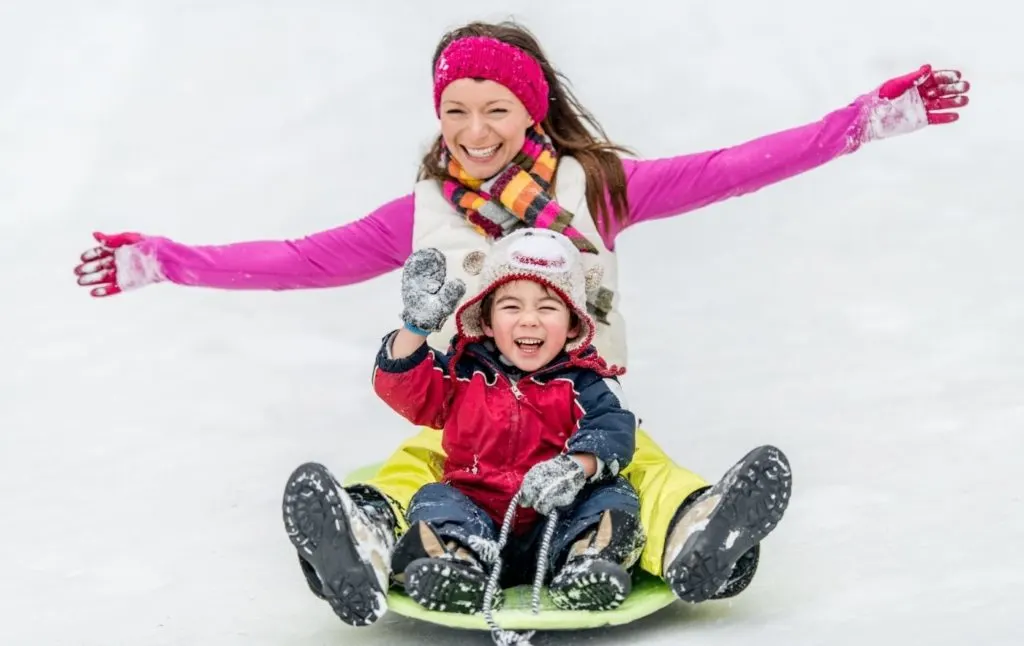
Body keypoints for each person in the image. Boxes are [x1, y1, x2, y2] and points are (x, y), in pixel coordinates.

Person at [73, 19, 970, 627]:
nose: (472, 129)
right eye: (455, 110)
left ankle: (698, 537)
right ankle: (367, 536)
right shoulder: (423, 213)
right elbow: (302, 259)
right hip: (461, 414)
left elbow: (735, 166)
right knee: (416, 468)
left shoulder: (600, 189)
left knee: (638, 467)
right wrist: (167, 260)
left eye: (494, 108)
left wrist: (866, 121)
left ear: (531, 109)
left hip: (578, 407)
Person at [370, 228, 646, 616]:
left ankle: (589, 562)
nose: (529, 321)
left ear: (571, 325)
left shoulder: (586, 379)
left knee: (612, 495)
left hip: (558, 520)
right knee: (434, 499)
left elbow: (613, 427)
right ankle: (456, 565)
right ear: (485, 320)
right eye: (512, 307)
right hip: (476, 514)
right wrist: (414, 330)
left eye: (548, 308)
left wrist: (577, 467)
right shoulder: (462, 372)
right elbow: (405, 390)